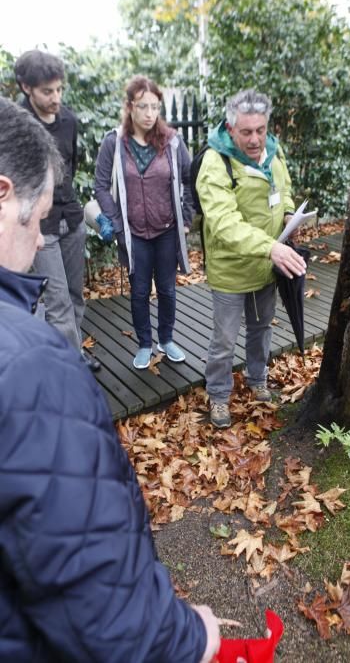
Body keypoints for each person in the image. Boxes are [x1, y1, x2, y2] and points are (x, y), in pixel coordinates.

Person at [0, 97, 219, 662]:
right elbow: (88, 580)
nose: (37, 245)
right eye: (40, 216)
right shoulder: (31, 368)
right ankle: (148, 341)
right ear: (4, 193)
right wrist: (190, 638)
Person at [196, 89, 306, 428]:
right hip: (231, 271)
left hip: (266, 265)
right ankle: (218, 395)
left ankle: (257, 379)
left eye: (261, 129)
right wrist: (271, 247)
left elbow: (283, 187)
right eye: (246, 132)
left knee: (261, 328)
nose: (256, 139)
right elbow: (225, 224)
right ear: (231, 129)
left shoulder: (273, 151)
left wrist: (288, 213)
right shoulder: (215, 163)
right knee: (225, 339)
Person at [94, 75, 193, 369]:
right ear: (130, 107)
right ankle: (144, 344)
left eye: (155, 107)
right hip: (133, 233)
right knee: (139, 291)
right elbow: (100, 186)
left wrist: (185, 220)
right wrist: (117, 223)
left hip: (166, 231)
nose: (150, 114)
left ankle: (166, 339)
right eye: (143, 107)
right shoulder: (114, 143)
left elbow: (190, 179)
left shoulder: (172, 142)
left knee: (166, 289)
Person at [14, 49, 100, 371]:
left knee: (76, 295)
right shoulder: (17, 127)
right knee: (58, 301)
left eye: (59, 89)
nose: (56, 98)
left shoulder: (70, 121)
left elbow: (70, 166)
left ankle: (71, 352)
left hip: (72, 220)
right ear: (26, 88)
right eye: (47, 91)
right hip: (40, 228)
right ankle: (69, 369)